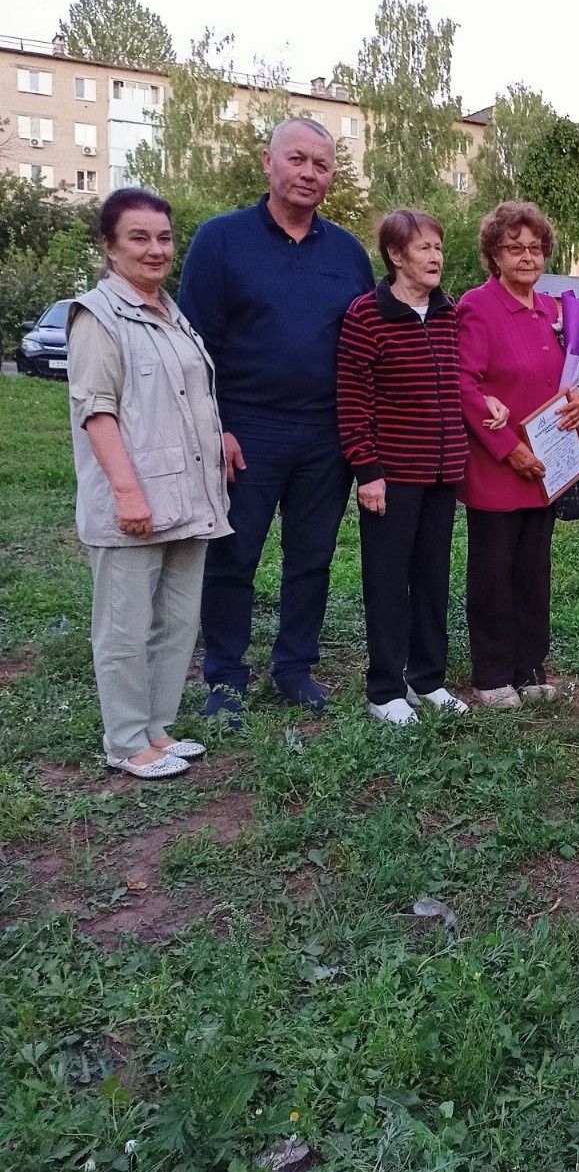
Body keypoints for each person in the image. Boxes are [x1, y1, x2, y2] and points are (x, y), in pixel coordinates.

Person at [178, 118, 374, 724]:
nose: (309, 173)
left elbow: (368, 349)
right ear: (268, 163)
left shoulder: (347, 253)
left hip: (325, 434)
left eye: (322, 164)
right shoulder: (221, 241)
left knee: (311, 558)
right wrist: (217, 428)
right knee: (234, 557)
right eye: (297, 159)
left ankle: (294, 668)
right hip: (247, 431)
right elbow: (193, 347)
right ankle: (226, 678)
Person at [67, 189, 231, 778]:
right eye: (138, 237)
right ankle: (125, 741)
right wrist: (126, 491)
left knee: (177, 619)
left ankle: (157, 731)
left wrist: (221, 437)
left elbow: (186, 395)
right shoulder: (98, 315)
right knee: (124, 626)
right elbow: (97, 410)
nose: (155, 249)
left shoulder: (170, 310)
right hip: (133, 497)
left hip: (188, 493)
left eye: (163, 237)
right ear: (109, 247)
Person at [336, 210, 472, 726]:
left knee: (433, 578)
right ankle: (385, 688)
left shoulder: (448, 312)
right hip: (391, 476)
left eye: (438, 247)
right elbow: (353, 401)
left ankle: (427, 680)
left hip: (442, 472)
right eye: (424, 248)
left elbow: (457, 386)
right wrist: (367, 470)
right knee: (388, 582)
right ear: (396, 256)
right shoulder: (366, 315)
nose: (436, 257)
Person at [456, 202, 579, 708]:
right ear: (494, 254)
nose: (527, 257)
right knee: (493, 575)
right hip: (498, 467)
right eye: (515, 248)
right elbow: (464, 383)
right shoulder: (478, 306)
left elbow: (563, 379)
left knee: (533, 573)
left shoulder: (551, 310)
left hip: (547, 466)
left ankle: (529, 670)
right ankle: (491, 676)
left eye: (535, 248)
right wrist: (509, 449)